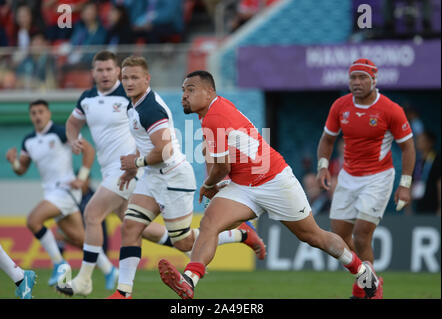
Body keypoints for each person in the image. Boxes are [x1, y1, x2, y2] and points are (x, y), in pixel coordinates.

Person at [157, 70, 377, 300]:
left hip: (274, 180)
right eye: (183, 90)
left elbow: (222, 168)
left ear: (210, 91)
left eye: (190, 89)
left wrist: (209, 184)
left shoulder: (215, 117)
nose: (184, 95)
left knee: (313, 236)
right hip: (244, 185)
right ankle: (189, 280)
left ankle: (363, 272)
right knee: (210, 223)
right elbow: (220, 158)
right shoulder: (210, 113)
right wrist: (215, 180)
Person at [106, 56, 266, 299]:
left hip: (173, 178)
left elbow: (165, 150)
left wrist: (135, 163)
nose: (129, 82)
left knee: (184, 243)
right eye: (125, 77)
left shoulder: (150, 109)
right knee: (130, 226)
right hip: (152, 176)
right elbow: (146, 143)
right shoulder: (134, 106)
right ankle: (123, 293)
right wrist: (134, 167)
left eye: (134, 77)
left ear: (147, 79)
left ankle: (242, 234)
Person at [55, 50, 182, 297]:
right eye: (99, 70)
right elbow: (72, 123)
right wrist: (73, 140)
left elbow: (146, 129)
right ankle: (194, 243)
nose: (104, 74)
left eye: (109, 70)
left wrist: (136, 160)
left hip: (127, 169)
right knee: (135, 226)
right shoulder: (87, 98)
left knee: (92, 213)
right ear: (93, 73)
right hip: (109, 172)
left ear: (117, 72)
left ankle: (84, 280)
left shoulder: (128, 95)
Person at [316, 59, 416, 299]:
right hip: (348, 176)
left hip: (378, 177)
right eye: (353, 78)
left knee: (361, 234)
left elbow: (409, 148)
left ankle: (372, 288)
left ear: (374, 80)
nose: (357, 82)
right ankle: (365, 281)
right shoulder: (340, 106)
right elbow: (327, 139)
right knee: (338, 238)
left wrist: (405, 184)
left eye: (363, 78)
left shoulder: (390, 109)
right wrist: (323, 167)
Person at [4, 99, 116, 288]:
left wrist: (82, 178)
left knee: (33, 220)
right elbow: (22, 169)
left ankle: (59, 263)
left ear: (48, 113)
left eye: (41, 112)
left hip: (66, 191)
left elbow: (88, 150)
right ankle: (109, 270)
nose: (38, 116)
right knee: (81, 239)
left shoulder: (61, 132)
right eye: (34, 113)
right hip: (51, 193)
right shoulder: (29, 140)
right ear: (30, 116)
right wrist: (13, 162)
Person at [412, 130, 440, 215]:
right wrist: (408, 208)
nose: (418, 142)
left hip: (433, 205)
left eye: (422, 140)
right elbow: (412, 183)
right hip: (418, 204)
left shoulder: (437, 160)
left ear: (430, 142)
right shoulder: (417, 161)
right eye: (418, 140)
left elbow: (439, 183)